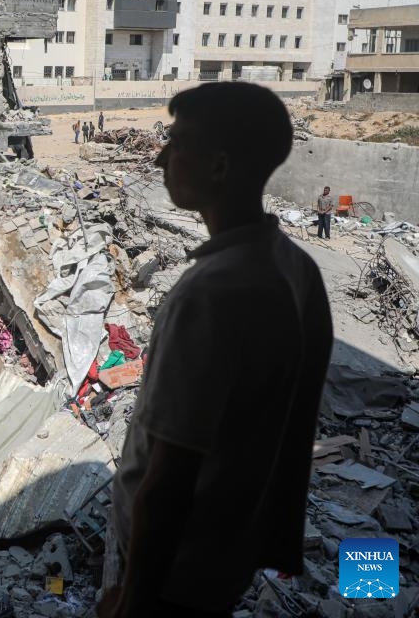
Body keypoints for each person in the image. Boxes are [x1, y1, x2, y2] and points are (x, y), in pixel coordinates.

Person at [100, 83, 333, 617]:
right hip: (225, 558)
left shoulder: (210, 295)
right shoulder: (298, 269)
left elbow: (170, 479)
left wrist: (134, 602)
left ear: (219, 166)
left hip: (171, 579)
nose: (160, 156)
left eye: (177, 143)